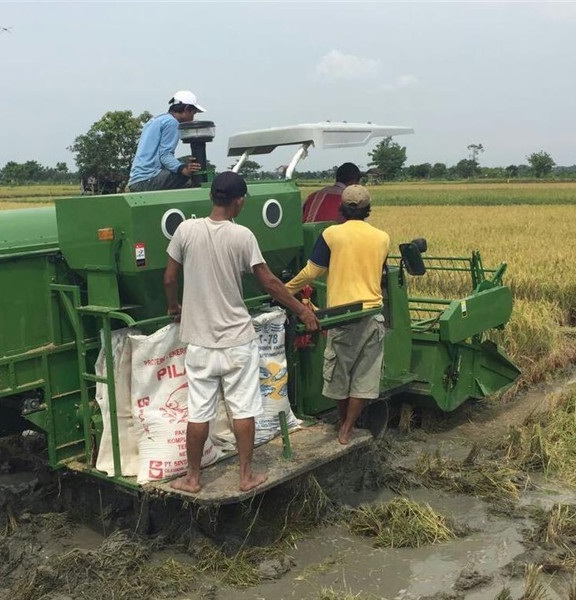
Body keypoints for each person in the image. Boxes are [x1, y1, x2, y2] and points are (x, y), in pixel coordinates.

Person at [164, 171, 320, 493]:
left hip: (200, 345)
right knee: (243, 410)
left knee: (199, 413)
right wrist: (302, 309)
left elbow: (169, 278)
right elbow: (269, 283)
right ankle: (245, 476)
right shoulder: (242, 236)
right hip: (238, 342)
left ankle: (192, 479)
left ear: (212, 197)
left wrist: (174, 306)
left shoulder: (185, 230)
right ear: (239, 201)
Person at [286, 184, 390, 445]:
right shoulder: (382, 237)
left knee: (338, 374)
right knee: (365, 377)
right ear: (368, 210)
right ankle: (348, 426)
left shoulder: (332, 234)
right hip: (373, 314)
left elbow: (312, 272)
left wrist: (284, 290)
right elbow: (381, 273)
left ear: (341, 208)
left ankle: (341, 424)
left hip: (343, 317)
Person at [128, 90, 205, 192]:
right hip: (148, 179)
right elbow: (165, 155)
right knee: (192, 180)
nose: (193, 118)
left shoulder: (157, 120)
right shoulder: (172, 123)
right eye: (193, 113)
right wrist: (184, 169)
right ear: (187, 109)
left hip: (136, 180)